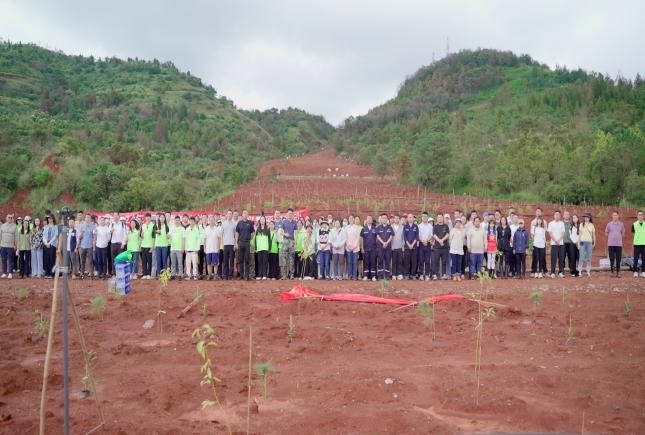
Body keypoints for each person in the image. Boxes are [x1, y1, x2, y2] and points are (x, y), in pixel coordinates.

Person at [235, 210, 255, 281]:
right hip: (240, 243)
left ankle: (246, 276)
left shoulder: (250, 223)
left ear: (248, 215)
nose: (245, 215)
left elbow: (253, 233)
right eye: (244, 213)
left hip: (247, 243)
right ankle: (241, 275)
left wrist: (249, 238)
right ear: (242, 215)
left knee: (247, 260)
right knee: (240, 260)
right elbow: (237, 233)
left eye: (246, 213)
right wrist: (236, 242)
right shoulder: (239, 223)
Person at [605, 211, 625, 278]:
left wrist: (618, 237)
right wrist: (611, 237)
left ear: (618, 216)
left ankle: (618, 272)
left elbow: (623, 233)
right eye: (613, 215)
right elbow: (606, 233)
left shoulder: (621, 224)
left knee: (618, 258)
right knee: (611, 258)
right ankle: (612, 272)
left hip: (619, 244)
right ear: (612, 216)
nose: (615, 216)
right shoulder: (609, 224)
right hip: (611, 244)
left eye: (616, 215)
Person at [279, 209, 297, 280]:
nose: (290, 215)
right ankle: (284, 275)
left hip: (292, 241)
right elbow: (280, 232)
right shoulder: (284, 222)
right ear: (287, 214)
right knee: (284, 258)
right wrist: (285, 234)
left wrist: (295, 242)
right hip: (285, 241)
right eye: (289, 213)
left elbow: (295, 233)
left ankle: (291, 274)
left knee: (291, 258)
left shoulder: (294, 222)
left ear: (293, 214)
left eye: (291, 213)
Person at [375, 214, 393, 280]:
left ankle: (387, 275)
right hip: (380, 247)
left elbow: (391, 236)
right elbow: (377, 236)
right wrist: (383, 242)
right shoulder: (378, 227)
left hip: (388, 247)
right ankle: (380, 275)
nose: (384, 219)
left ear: (387, 219)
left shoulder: (390, 227)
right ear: (381, 219)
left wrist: (386, 243)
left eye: (385, 218)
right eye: (383, 218)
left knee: (387, 261)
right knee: (380, 261)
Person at [431, 214, 450, 280]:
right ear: (437, 218)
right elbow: (434, 235)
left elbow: (447, 234)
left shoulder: (446, 226)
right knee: (436, 261)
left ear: (443, 218)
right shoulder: (435, 226)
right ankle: (435, 275)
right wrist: (439, 241)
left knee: (444, 261)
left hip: (445, 247)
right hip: (437, 247)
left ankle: (444, 274)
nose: (440, 218)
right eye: (438, 217)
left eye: (441, 217)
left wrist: (442, 240)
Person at [547, 211, 565, 278]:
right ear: (554, 216)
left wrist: (559, 240)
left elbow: (563, 233)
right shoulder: (551, 223)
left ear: (560, 216)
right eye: (556, 214)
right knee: (553, 258)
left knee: (561, 258)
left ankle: (560, 272)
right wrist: (555, 240)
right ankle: (552, 272)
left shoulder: (562, 223)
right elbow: (550, 233)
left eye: (558, 215)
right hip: (553, 244)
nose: (557, 216)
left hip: (561, 244)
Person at [530, 207, 547, 277]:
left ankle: (543, 271)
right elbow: (532, 234)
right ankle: (533, 271)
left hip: (542, 243)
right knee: (535, 258)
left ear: (541, 213)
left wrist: (544, 242)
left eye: (539, 211)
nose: (538, 213)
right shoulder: (533, 222)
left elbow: (545, 233)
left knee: (542, 257)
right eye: (537, 211)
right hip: (535, 243)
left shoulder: (544, 222)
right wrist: (533, 242)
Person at [577, 213, 595, 277]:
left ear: (589, 218)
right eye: (585, 217)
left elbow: (593, 235)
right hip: (582, 242)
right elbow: (579, 235)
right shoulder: (581, 225)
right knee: (581, 257)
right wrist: (578, 244)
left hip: (589, 243)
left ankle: (588, 271)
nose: (586, 218)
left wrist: (594, 242)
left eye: (587, 217)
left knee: (589, 257)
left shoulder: (592, 225)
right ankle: (579, 271)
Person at [403, 214, 419, 280]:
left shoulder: (416, 226)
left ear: (413, 218)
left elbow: (416, 236)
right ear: (407, 219)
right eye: (409, 217)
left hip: (414, 247)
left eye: (411, 217)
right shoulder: (405, 226)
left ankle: (413, 274)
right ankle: (407, 274)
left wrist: (412, 244)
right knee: (407, 261)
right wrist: (409, 244)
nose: (410, 218)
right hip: (407, 247)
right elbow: (404, 236)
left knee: (414, 261)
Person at [417, 212, 433, 280]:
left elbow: (431, 235)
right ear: (421, 217)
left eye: (425, 216)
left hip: (428, 244)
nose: (424, 218)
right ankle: (421, 275)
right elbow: (418, 235)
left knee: (427, 260)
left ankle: (427, 275)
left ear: (427, 217)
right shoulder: (419, 226)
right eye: (423, 216)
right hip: (421, 244)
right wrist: (423, 241)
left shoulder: (430, 226)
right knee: (421, 260)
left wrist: (427, 241)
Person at [1, 214, 17, 279]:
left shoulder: (15, 226)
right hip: (3, 245)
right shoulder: (2, 226)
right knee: (3, 259)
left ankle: (10, 273)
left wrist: (15, 245)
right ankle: (4, 273)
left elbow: (16, 236)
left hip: (10, 246)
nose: (10, 218)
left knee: (11, 260)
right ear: (6, 218)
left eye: (11, 217)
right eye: (9, 217)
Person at [78, 214, 95, 279]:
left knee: (90, 261)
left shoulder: (93, 226)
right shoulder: (81, 226)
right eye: (86, 217)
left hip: (90, 246)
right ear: (84, 219)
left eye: (89, 218)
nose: (87, 219)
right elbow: (79, 237)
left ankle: (91, 274)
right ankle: (82, 274)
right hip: (82, 246)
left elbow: (94, 236)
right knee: (82, 261)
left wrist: (93, 245)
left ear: (90, 219)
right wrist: (81, 234)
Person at [221, 210, 236, 280]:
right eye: (228, 214)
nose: (229, 215)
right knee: (225, 260)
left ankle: (230, 275)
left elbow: (236, 235)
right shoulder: (223, 224)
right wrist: (222, 244)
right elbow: (222, 235)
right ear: (226, 215)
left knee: (231, 261)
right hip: (225, 244)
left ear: (232, 215)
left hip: (232, 244)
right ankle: (225, 274)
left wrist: (235, 244)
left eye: (230, 214)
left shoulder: (234, 224)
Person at [254, 215, 270, 280]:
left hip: (265, 248)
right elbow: (255, 239)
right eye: (261, 219)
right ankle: (260, 275)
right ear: (260, 221)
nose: (262, 220)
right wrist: (256, 248)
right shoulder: (257, 229)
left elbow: (269, 239)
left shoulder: (268, 229)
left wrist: (269, 247)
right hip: (259, 248)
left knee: (265, 262)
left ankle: (264, 275)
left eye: (263, 219)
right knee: (260, 262)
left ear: (265, 221)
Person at [140, 213, 155, 279]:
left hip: (149, 246)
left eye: (149, 217)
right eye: (146, 217)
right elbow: (141, 236)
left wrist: (152, 246)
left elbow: (154, 237)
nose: (148, 218)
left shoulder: (153, 225)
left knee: (149, 261)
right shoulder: (143, 225)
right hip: (143, 245)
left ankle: (149, 274)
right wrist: (141, 235)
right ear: (145, 218)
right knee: (144, 261)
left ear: (150, 218)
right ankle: (144, 274)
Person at [345, 216, 361, 280]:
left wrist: (354, 246)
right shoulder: (346, 228)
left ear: (354, 220)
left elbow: (358, 238)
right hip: (348, 247)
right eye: (350, 218)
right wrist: (348, 245)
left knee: (355, 262)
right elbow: (345, 237)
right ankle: (350, 275)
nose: (351, 220)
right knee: (349, 262)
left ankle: (354, 275)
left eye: (352, 218)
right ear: (348, 220)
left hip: (355, 248)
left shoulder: (357, 228)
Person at [391, 215, 404, 280]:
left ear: (399, 219)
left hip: (400, 247)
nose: (396, 219)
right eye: (395, 218)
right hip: (393, 247)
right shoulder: (391, 227)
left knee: (400, 261)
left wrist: (403, 245)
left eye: (398, 218)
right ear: (394, 219)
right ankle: (393, 274)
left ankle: (399, 274)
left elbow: (403, 237)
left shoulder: (402, 227)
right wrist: (391, 246)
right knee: (394, 261)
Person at [632, 211, 645, 278]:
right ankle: (635, 272)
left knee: (644, 258)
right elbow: (633, 234)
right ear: (637, 216)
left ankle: (643, 272)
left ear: (643, 216)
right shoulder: (634, 224)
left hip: (644, 244)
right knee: (636, 258)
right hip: (636, 244)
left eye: (641, 215)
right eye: (639, 215)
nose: (640, 216)